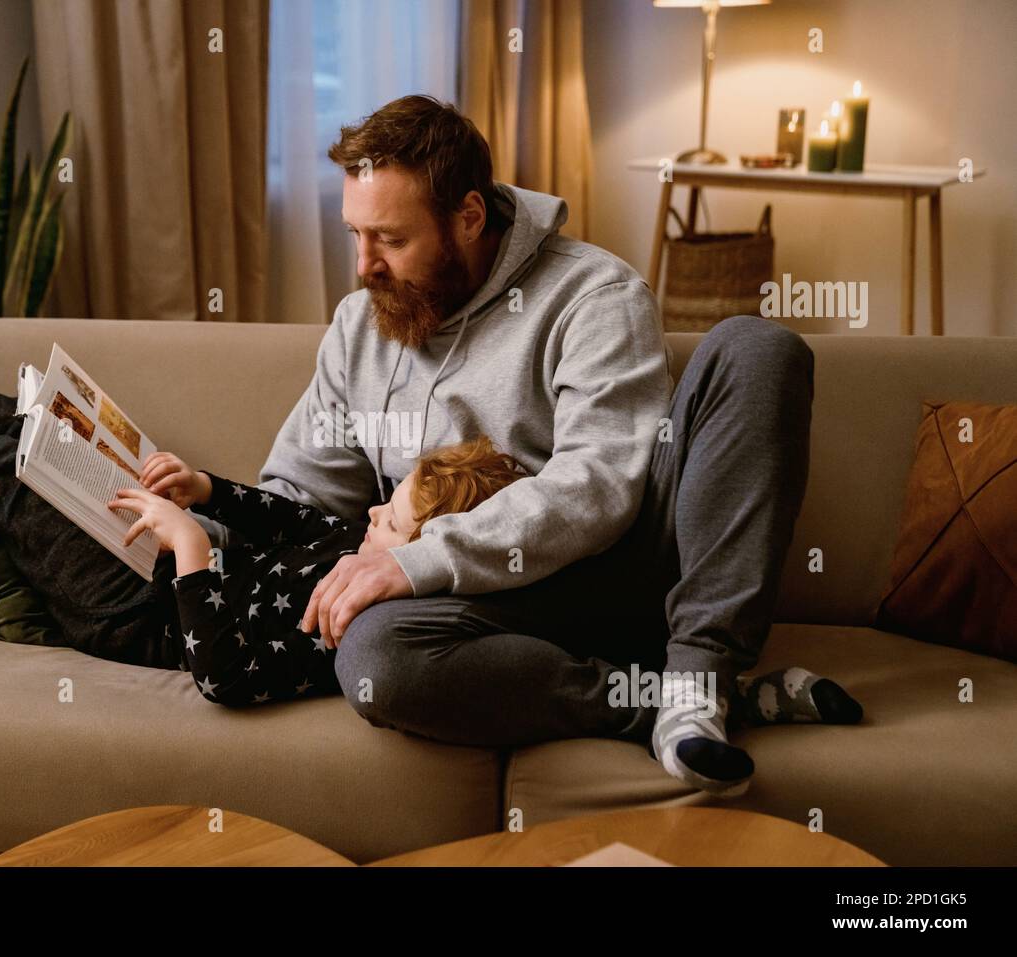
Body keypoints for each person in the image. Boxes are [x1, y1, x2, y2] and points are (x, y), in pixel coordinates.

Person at [236, 94, 862, 795]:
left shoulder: (594, 294)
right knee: (376, 658)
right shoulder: (360, 326)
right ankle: (670, 704)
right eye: (355, 234)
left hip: (618, 578)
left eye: (390, 239)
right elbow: (300, 494)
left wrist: (419, 559)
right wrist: (202, 530)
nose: (364, 266)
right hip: (491, 613)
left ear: (468, 217)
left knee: (759, 346)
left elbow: (597, 486)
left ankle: (699, 676)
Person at [0, 279, 534, 708]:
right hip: (155, 558)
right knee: (38, 424)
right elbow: (293, 518)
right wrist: (206, 486)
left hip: (133, 615)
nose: (373, 511)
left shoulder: (349, 623)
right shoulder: (359, 551)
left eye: (391, 517)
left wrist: (192, 546)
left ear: (428, 557)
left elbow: (226, 677)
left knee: (9, 476)